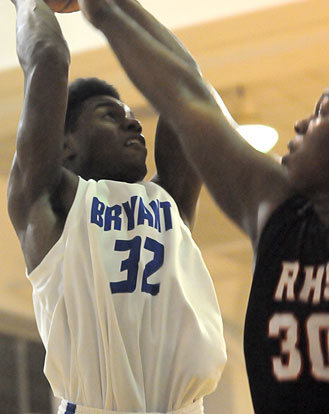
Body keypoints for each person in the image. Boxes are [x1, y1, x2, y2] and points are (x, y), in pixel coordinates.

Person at [77, 1, 329, 413]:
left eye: (321, 113)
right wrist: (104, 9)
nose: (302, 123)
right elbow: (186, 94)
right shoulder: (280, 213)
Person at [7, 0, 227, 413]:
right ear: (65, 145)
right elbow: (48, 58)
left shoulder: (169, 201)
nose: (133, 123)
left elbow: (187, 83)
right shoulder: (49, 200)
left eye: (130, 116)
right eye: (109, 116)